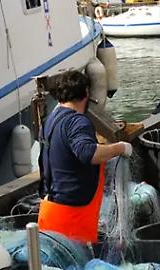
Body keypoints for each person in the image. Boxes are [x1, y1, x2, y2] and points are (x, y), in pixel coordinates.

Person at [38, 69, 132, 242]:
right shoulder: (77, 121)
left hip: (50, 210)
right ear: (86, 93)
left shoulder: (49, 121)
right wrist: (119, 148)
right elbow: (88, 153)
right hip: (73, 218)